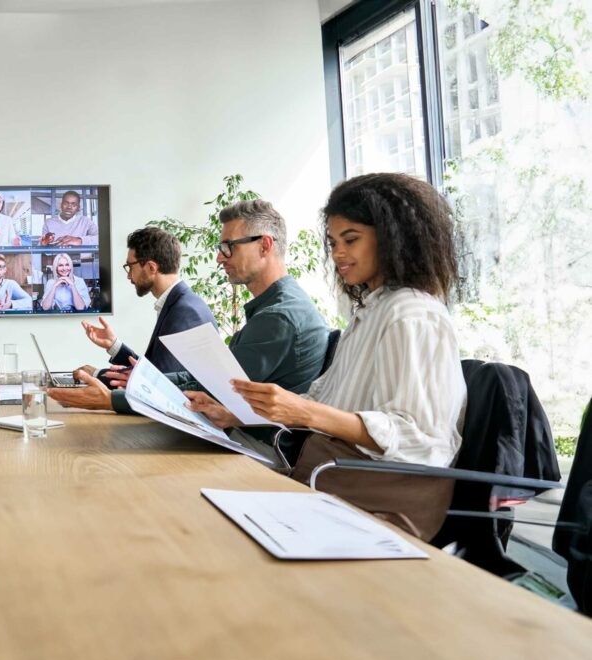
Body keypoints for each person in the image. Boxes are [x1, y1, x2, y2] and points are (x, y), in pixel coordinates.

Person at [190, 173, 467, 540]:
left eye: (350, 240)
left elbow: (419, 439)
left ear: (393, 238)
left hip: (381, 499)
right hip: (335, 476)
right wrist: (237, 413)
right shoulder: (373, 310)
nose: (337, 254)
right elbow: (324, 402)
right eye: (333, 242)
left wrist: (302, 411)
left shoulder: (411, 316)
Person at [51, 203, 329, 417]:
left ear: (265, 245)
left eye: (228, 247)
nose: (220, 257)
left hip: (252, 448)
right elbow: (204, 379)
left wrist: (113, 398)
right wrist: (126, 372)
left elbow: (216, 388)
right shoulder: (273, 308)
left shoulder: (278, 317)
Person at [71, 227, 214, 384]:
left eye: (130, 267)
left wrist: (96, 374)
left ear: (152, 268)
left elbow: (158, 385)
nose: (128, 276)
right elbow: (155, 371)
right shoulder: (180, 303)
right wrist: (114, 345)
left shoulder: (184, 311)